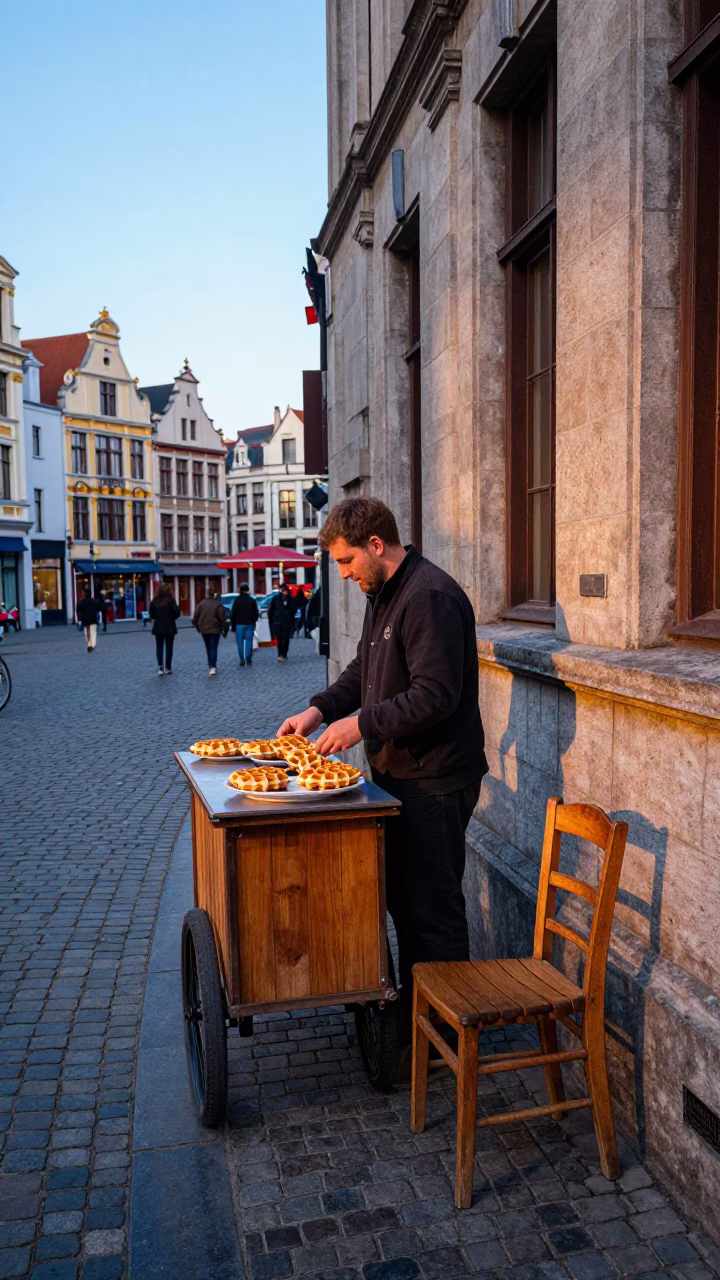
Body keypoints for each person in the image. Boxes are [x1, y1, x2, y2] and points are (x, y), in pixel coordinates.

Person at [277, 496, 487, 1043]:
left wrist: (360, 726)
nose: (343, 574)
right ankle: (423, 1024)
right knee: (404, 902)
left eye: (346, 562)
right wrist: (319, 709)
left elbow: (436, 696)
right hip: (398, 779)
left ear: (376, 545)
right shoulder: (383, 591)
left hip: (436, 781)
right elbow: (363, 669)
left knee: (434, 912)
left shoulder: (431, 597)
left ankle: (447, 1040)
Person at [192, 589, 226, 675]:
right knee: (213, 648)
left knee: (208, 647)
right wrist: (223, 626)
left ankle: (211, 665)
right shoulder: (217, 604)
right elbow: (222, 617)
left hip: (204, 629)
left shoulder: (201, 604)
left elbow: (196, 616)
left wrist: (197, 626)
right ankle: (213, 666)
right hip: (215, 629)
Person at [149, 582, 181, 675]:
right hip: (169, 626)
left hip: (158, 627)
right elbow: (177, 612)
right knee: (169, 647)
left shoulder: (155, 601)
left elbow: (152, 615)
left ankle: (160, 667)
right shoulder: (171, 601)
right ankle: (168, 667)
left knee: (159, 646)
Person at [230, 584, 259, 667]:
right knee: (249, 641)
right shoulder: (252, 601)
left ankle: (242, 659)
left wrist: (233, 626)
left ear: (240, 591)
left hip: (239, 624)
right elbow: (256, 613)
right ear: (248, 590)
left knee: (240, 642)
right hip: (250, 623)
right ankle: (248, 657)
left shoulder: (237, 601)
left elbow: (233, 614)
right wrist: (254, 620)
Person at [268, 583, 296, 661]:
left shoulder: (291, 599)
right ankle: (280, 654)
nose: (284, 592)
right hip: (278, 622)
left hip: (287, 622)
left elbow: (294, 610)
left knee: (286, 639)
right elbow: (272, 610)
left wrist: (289, 614)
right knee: (279, 639)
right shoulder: (276, 599)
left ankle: (284, 654)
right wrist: (273, 619)